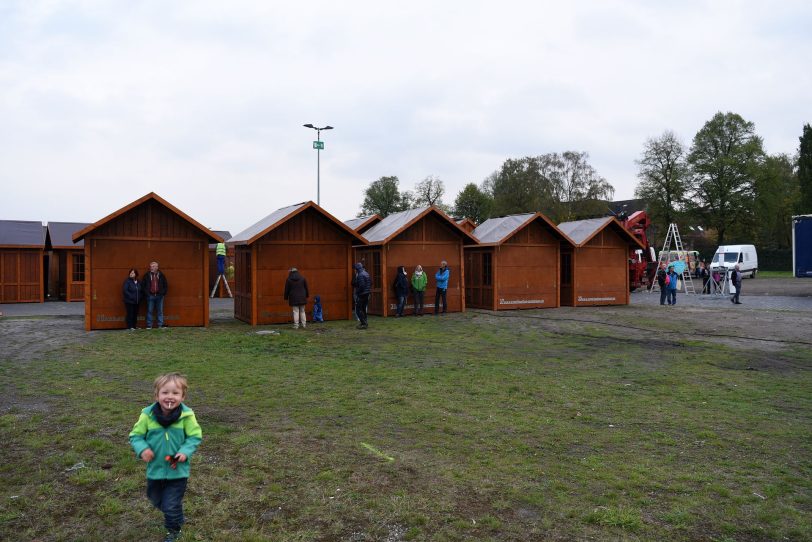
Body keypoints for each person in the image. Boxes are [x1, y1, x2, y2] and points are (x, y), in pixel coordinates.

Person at [129, 373, 202, 542]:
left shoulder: (187, 416)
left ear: (182, 397)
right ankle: (175, 513)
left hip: (178, 471)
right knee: (154, 498)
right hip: (155, 469)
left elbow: (194, 436)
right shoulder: (147, 415)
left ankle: (174, 530)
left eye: (175, 393)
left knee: (170, 504)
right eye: (165, 392)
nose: (170, 396)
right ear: (157, 395)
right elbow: (135, 436)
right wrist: (143, 449)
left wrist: (185, 451)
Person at [142, 261, 168, 329]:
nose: (152, 268)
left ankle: (160, 325)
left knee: (160, 311)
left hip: (160, 296)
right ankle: (149, 325)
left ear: (157, 267)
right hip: (150, 296)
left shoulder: (161, 275)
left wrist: (163, 293)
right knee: (149, 311)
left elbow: (165, 285)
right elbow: (143, 286)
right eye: (151, 266)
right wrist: (147, 294)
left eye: (153, 266)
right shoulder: (146, 275)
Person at [352, 262, 371, 329]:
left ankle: (363, 323)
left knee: (358, 310)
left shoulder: (360, 275)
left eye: (355, 269)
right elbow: (370, 283)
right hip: (367, 293)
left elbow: (362, 286)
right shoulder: (366, 273)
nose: (355, 270)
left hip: (362, 294)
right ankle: (365, 322)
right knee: (363, 309)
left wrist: (357, 291)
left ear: (357, 268)